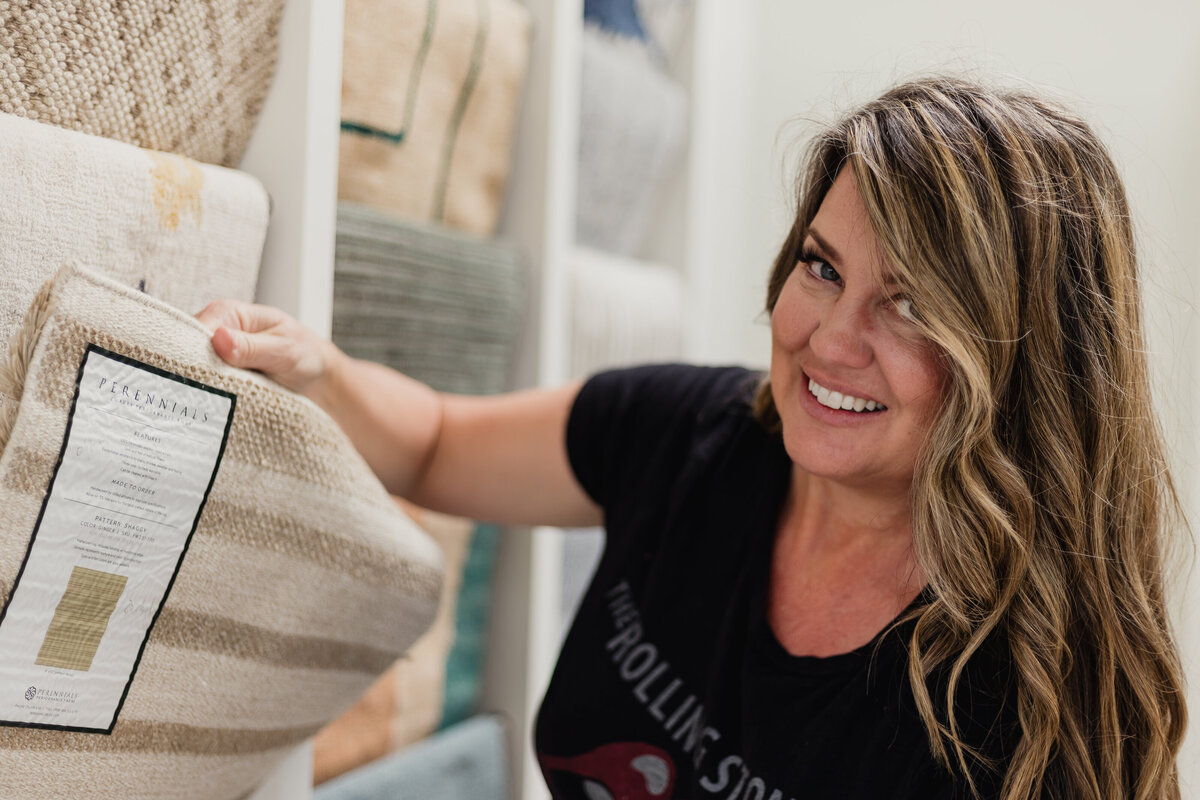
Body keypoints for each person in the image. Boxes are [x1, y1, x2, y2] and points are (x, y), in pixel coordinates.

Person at [197, 76, 1188, 799]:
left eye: (912, 303)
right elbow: (441, 443)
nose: (828, 339)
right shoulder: (693, 435)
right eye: (821, 265)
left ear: (1017, 360)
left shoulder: (1030, 718)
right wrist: (321, 371)